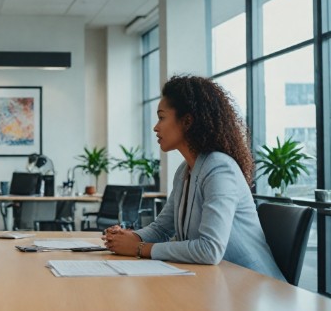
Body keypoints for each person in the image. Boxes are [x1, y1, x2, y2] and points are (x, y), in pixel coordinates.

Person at [103, 75, 285, 281]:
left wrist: (139, 248)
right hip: (219, 283)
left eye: (162, 117)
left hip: (256, 289)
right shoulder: (185, 171)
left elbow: (210, 249)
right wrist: (129, 238)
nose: (156, 127)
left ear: (187, 121)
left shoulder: (219, 168)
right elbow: (162, 228)